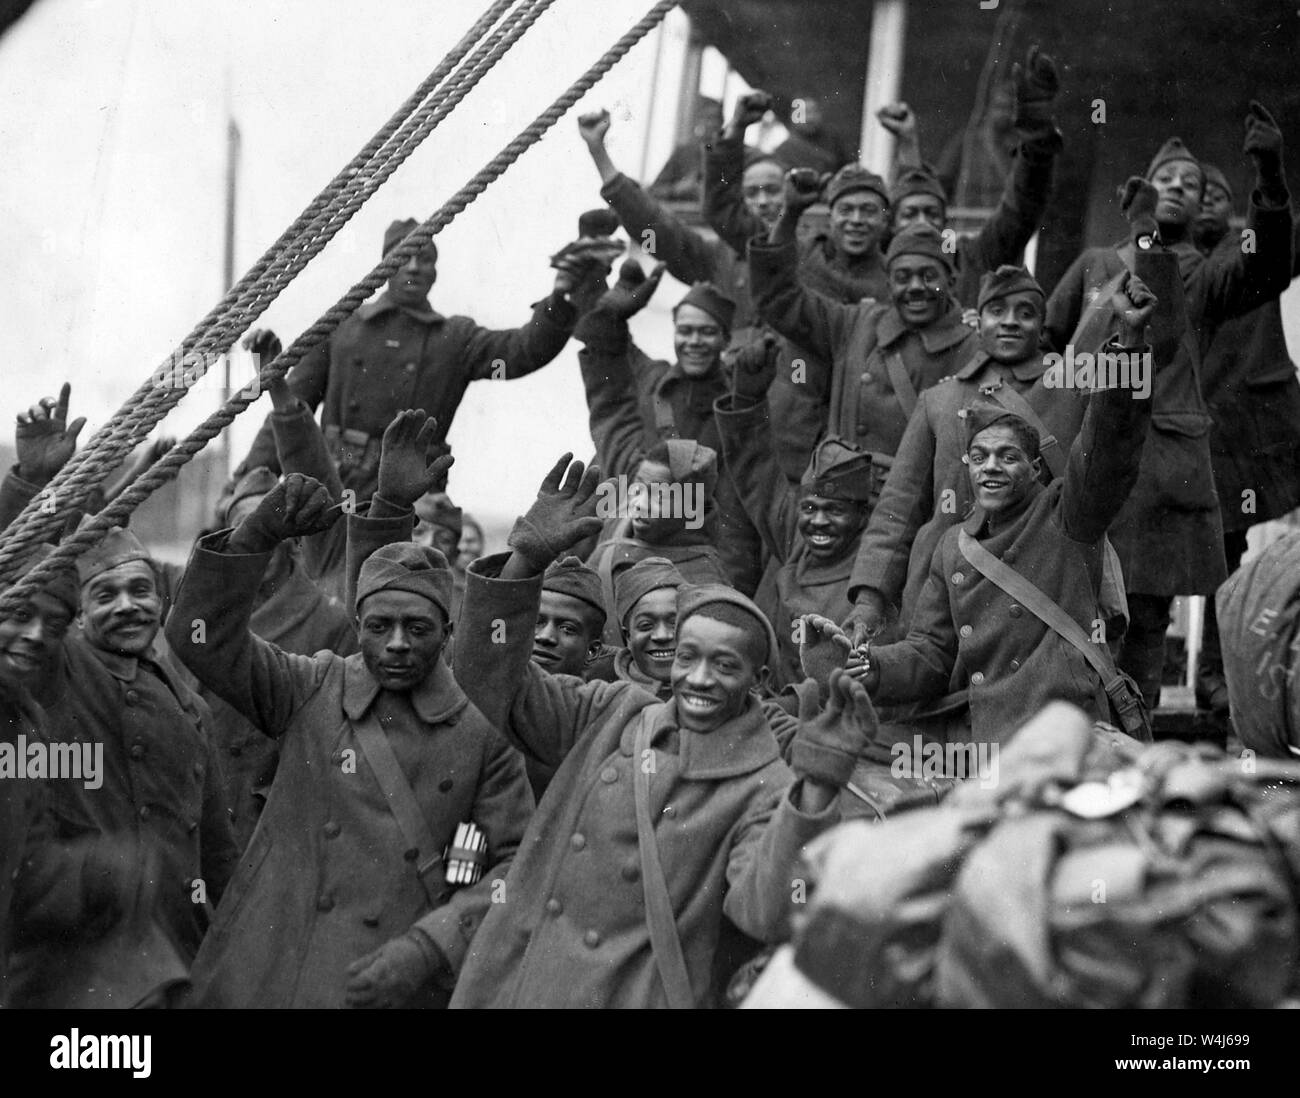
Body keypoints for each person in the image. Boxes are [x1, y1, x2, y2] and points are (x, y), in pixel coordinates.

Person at [446, 453, 875, 1008]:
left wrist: (816, 784)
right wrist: (524, 563)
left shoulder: (763, 782)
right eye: (688, 656)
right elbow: (488, 682)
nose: (698, 676)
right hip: (520, 980)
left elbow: (764, 909)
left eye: (723, 665)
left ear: (757, 678)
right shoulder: (613, 711)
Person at [165, 413, 534, 1008]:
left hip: (380, 981)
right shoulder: (311, 685)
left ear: (446, 632)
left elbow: (515, 868)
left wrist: (430, 947)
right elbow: (200, 638)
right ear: (357, 626)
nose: (396, 644)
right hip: (264, 967)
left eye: (416, 628)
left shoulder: (479, 736)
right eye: (380, 627)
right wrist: (253, 539)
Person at [1044, 104, 1295, 709]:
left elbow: (1264, 269)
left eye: (1193, 185)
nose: (1181, 189)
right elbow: (1053, 338)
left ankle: (1137, 736)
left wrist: (1269, 177)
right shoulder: (1096, 264)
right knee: (1075, 601)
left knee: (1148, 610)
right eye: (1169, 179)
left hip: (1164, 463)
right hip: (1093, 451)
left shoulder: (1204, 274)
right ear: (1144, 188)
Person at [850, 274, 1158, 743]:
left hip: (1055, 683)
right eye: (979, 458)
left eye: (1008, 457)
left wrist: (1131, 344)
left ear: (1036, 467)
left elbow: (1109, 452)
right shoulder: (941, 404)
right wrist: (870, 643)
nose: (990, 468)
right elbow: (898, 509)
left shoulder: (1066, 501)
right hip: (966, 614)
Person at [5, 518, 238, 1008]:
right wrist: (31, 486)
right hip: (78, 958)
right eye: (105, 595)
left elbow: (218, 856)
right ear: (79, 617)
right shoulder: (58, 673)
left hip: (174, 953)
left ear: (161, 602)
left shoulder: (191, 710)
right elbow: (19, 592)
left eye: (140, 590)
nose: (128, 605)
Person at [232, 219, 607, 502]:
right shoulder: (340, 328)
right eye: (403, 257)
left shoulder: (455, 338)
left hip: (414, 497)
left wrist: (560, 298)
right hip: (336, 484)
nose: (413, 266)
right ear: (384, 267)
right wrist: (247, 481)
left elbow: (522, 351)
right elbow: (290, 408)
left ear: (434, 272)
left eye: (424, 258)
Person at [705, 92, 894, 479]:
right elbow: (724, 211)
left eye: (869, 211)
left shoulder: (897, 283)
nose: (856, 220)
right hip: (792, 436)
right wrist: (737, 130)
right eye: (846, 210)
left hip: (862, 444)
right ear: (831, 215)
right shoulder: (802, 255)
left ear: (886, 221)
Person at [576, 262, 763, 593]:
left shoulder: (735, 406)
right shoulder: (651, 377)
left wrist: (730, 592)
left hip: (690, 550)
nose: (694, 341)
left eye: (707, 332)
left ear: (725, 338)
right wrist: (611, 316)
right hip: (627, 527)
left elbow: (734, 517)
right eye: (685, 330)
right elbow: (609, 369)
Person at [1189, 160, 1300, 715]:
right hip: (1174, 430)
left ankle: (1217, 674)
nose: (1207, 200)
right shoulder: (1170, 259)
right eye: (1198, 191)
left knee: (1224, 555)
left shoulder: (1249, 251)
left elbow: (1283, 249)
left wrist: (1269, 186)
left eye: (1219, 194)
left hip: (1234, 431)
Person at [752, 201, 978, 471]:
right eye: (903, 277)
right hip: (845, 496)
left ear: (951, 283)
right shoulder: (856, 323)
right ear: (888, 284)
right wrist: (790, 214)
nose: (916, 287)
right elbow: (779, 299)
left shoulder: (972, 347)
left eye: (929, 276)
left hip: (917, 506)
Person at [715, 361, 875, 688]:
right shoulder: (798, 537)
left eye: (835, 511)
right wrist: (746, 398)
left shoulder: (871, 576)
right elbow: (755, 469)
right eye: (809, 507)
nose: (818, 521)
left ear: (862, 517)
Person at [877, 45, 1063, 308]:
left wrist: (1036, 133)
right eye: (909, 215)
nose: (923, 223)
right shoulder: (875, 267)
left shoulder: (972, 259)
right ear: (892, 224)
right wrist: (908, 143)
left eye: (932, 214)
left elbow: (1022, 206)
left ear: (944, 222)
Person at [647, 97, 727, 203]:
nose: (712, 124)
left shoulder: (729, 154)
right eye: (707, 118)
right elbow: (653, 191)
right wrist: (676, 190)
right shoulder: (683, 153)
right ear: (698, 120)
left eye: (716, 119)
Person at [773, 94, 853, 175]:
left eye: (814, 111)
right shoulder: (784, 150)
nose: (810, 118)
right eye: (804, 113)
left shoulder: (833, 141)